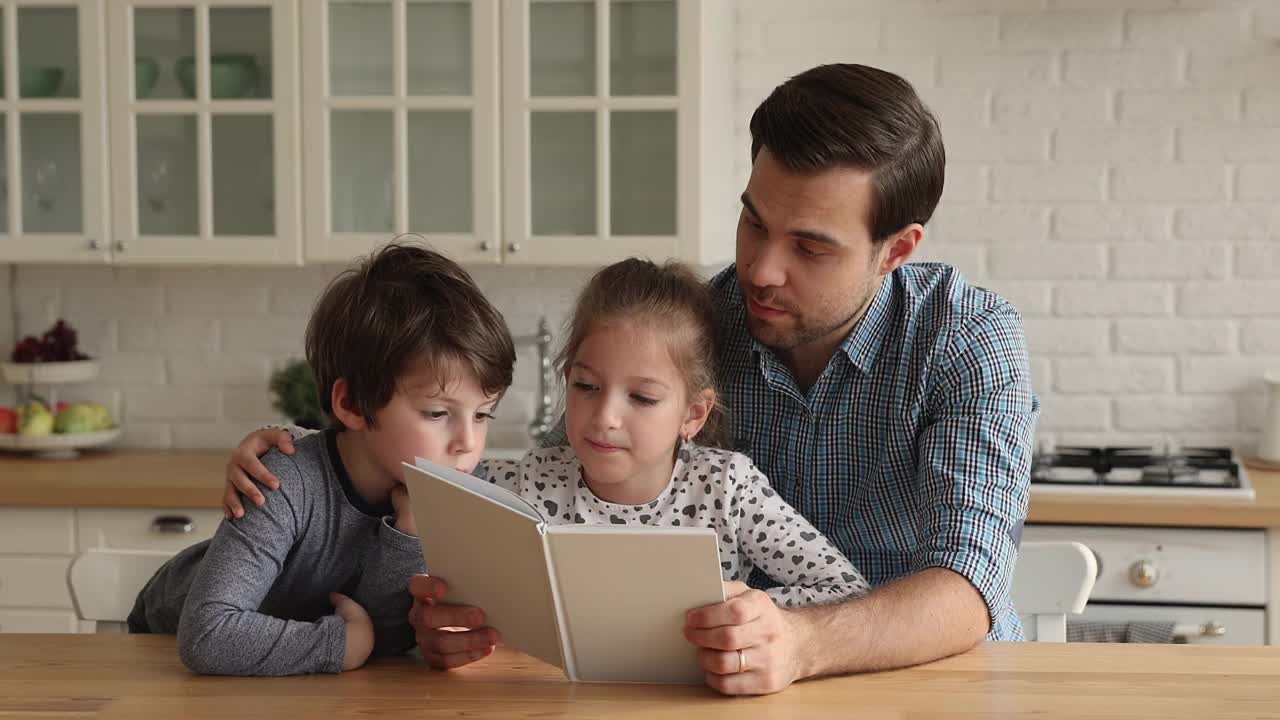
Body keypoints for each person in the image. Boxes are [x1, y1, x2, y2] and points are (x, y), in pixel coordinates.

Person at [228, 63, 1038, 695]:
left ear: (897, 249)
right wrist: (317, 457)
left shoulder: (966, 341)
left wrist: (803, 642)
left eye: (811, 246)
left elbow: (967, 588)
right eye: (753, 219)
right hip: (701, 689)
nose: (760, 266)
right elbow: (550, 504)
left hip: (914, 691)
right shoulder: (687, 327)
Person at [224, 258, 870, 669]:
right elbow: (388, 471)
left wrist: (754, 612)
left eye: (642, 397)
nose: (604, 416)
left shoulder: (726, 485)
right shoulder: (522, 481)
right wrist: (441, 634)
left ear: (693, 415)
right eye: (586, 386)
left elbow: (843, 590)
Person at [127, 243, 516, 676]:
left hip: (296, 668)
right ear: (350, 403)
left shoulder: (446, 489)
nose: (468, 442)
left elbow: (381, 640)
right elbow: (207, 635)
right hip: (161, 648)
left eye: (483, 415)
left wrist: (409, 532)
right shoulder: (285, 480)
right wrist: (339, 642)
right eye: (438, 413)